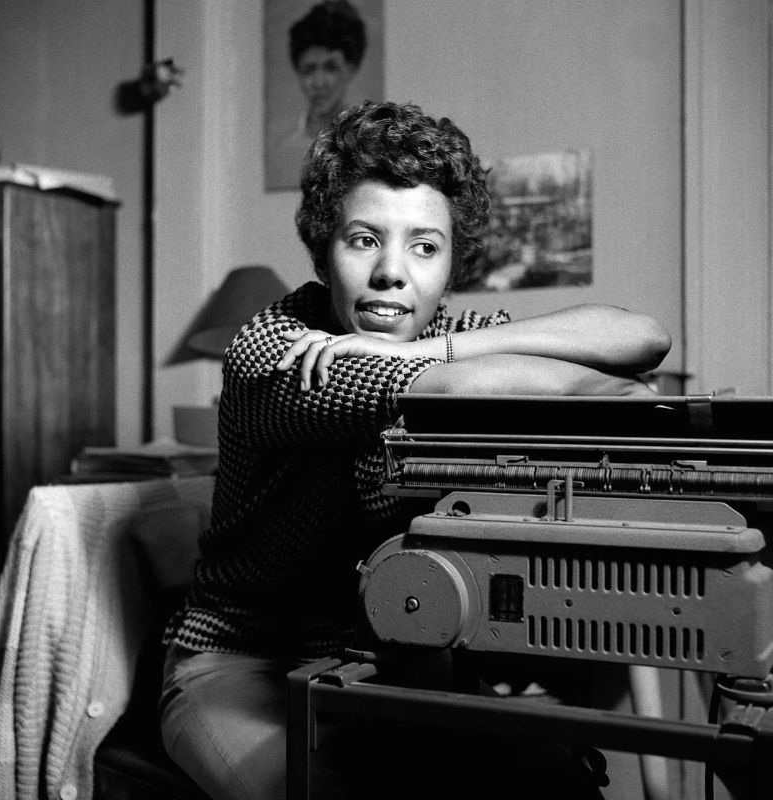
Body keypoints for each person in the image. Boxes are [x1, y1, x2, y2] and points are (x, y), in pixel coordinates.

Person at [160, 101, 671, 800]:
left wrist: (443, 343)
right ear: (323, 248)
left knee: (563, 781)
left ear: (453, 263)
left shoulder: (448, 334)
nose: (391, 274)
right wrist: (473, 365)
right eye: (364, 239)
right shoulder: (281, 350)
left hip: (395, 664)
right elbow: (508, 387)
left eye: (424, 247)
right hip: (240, 665)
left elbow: (642, 338)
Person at [267, 0, 368, 189]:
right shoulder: (285, 149)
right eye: (309, 69)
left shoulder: (365, 147)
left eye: (331, 68)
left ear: (351, 69)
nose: (319, 82)